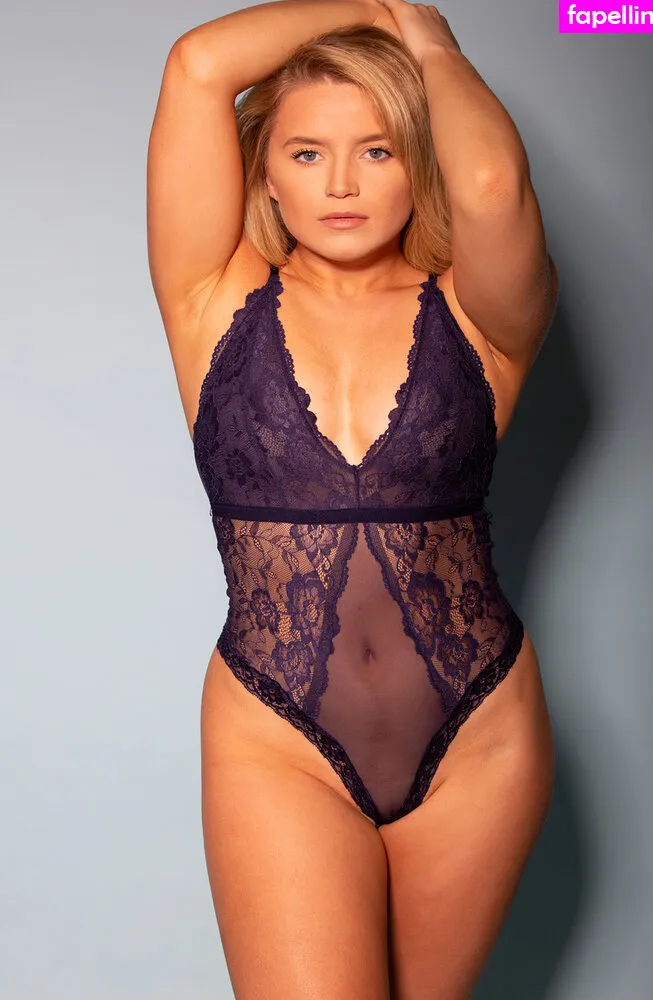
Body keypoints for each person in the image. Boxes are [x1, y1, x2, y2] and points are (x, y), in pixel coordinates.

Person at [147, 1, 559, 997]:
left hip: (479, 740)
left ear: (420, 162)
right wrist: (378, 5)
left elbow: (493, 184)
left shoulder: (484, 314)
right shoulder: (212, 301)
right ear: (265, 174)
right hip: (277, 735)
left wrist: (425, 36)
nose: (340, 183)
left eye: (378, 150)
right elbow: (198, 63)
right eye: (307, 152)